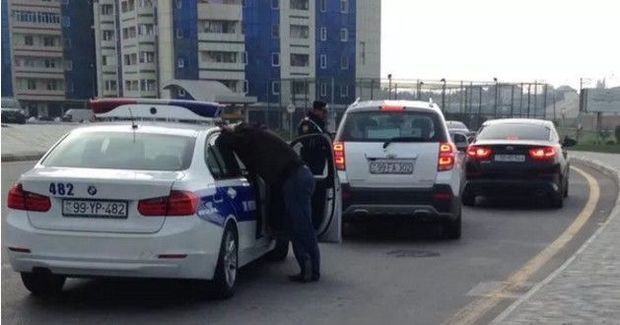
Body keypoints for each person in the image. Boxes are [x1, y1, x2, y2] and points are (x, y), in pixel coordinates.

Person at [217, 123, 321, 283]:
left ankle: (311, 271)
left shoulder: (250, 138)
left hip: (294, 180)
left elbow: (235, 142)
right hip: (299, 177)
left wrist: (227, 135)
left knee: (301, 226)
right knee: (300, 225)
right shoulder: (258, 134)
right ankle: (310, 269)